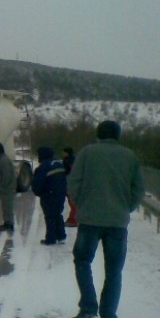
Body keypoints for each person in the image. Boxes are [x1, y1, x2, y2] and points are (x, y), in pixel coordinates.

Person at [68, 120, 145, 318]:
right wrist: (127, 207)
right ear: (118, 135)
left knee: (82, 261)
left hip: (89, 221)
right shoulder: (130, 157)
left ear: (99, 135)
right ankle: (109, 313)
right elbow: (138, 190)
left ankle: (88, 308)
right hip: (117, 223)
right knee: (114, 271)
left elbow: (73, 183)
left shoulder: (87, 153)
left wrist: (82, 206)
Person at [32, 147, 67, 245]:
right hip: (60, 194)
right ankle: (61, 236)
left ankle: (50, 239)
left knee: (50, 217)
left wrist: (41, 193)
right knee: (58, 214)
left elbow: (37, 184)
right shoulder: (59, 164)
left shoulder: (43, 167)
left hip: (48, 196)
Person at [0, 142, 16, 232]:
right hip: (5, 189)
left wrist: (2, 186)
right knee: (5, 207)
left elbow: (6, 175)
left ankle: (9, 224)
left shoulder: (4, 161)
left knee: (8, 207)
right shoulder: (1, 160)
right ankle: (7, 222)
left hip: (7, 189)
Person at [63, 147, 78, 227]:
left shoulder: (69, 160)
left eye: (64, 152)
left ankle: (73, 220)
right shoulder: (71, 159)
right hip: (69, 181)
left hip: (69, 182)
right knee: (71, 202)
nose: (63, 153)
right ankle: (72, 218)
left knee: (72, 202)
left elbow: (72, 171)